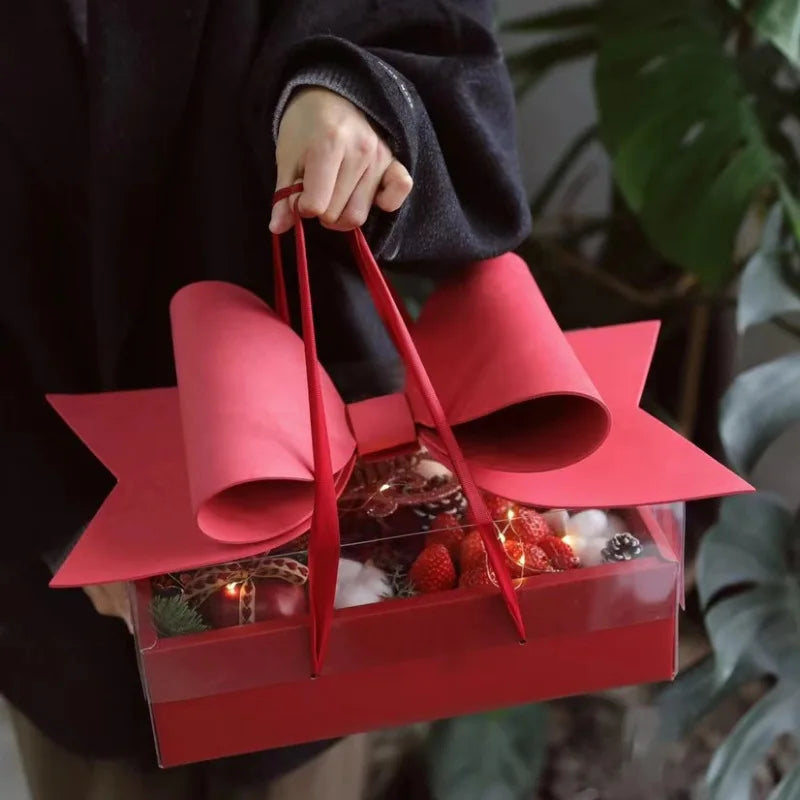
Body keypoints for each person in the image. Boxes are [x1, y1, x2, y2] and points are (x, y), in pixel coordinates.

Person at [0, 1, 531, 797]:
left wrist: (344, 94)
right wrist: (44, 508)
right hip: (46, 505)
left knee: (294, 758)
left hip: (312, 492)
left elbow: (440, 39)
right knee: (95, 757)